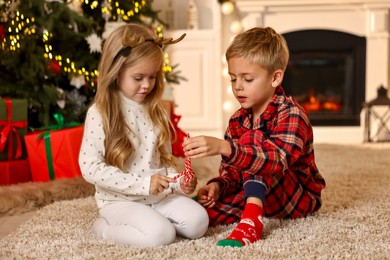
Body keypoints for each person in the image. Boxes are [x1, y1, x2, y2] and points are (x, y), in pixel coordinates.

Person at [183, 26, 326, 248]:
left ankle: (251, 224)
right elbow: (233, 172)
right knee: (201, 214)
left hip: (296, 197)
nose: (238, 87)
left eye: (247, 79)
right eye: (233, 79)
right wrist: (218, 186)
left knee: (254, 142)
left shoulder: (291, 113)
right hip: (258, 191)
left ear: (275, 77)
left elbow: (276, 161)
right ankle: (196, 209)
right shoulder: (237, 120)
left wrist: (225, 148)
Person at [79, 23, 209, 248]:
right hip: (120, 200)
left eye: (153, 77)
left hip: (158, 197)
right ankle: (105, 230)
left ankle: (153, 219)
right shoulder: (101, 113)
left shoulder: (156, 109)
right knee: (161, 235)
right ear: (116, 71)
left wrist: (180, 183)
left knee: (199, 222)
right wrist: (144, 184)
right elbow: (89, 167)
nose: (147, 85)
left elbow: (164, 160)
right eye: (138, 77)